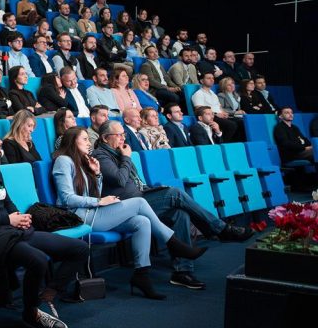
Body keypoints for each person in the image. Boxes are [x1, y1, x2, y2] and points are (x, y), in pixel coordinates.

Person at [0, 124, 86, 328]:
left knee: (80, 249)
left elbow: (7, 201)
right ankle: (31, 313)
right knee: (39, 260)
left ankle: (48, 295)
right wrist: (8, 219)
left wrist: (19, 217)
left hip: (14, 232)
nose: (0, 141)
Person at [93, 121, 251, 290]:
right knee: (175, 193)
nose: (123, 138)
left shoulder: (118, 152)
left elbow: (135, 183)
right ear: (105, 138)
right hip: (124, 207)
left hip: (141, 197)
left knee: (180, 213)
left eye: (124, 134)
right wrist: (126, 158)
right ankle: (221, 229)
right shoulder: (101, 155)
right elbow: (119, 180)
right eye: (118, 135)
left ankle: (183, 271)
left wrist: (151, 188)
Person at [53, 126, 205, 299]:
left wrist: (97, 174)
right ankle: (174, 244)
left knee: (142, 222)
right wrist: (99, 202)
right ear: (73, 141)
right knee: (140, 202)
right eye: (85, 139)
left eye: (89, 139)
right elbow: (66, 198)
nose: (89, 143)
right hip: (79, 216)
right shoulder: (63, 161)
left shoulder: (83, 161)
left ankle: (141, 275)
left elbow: (95, 192)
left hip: (93, 212)